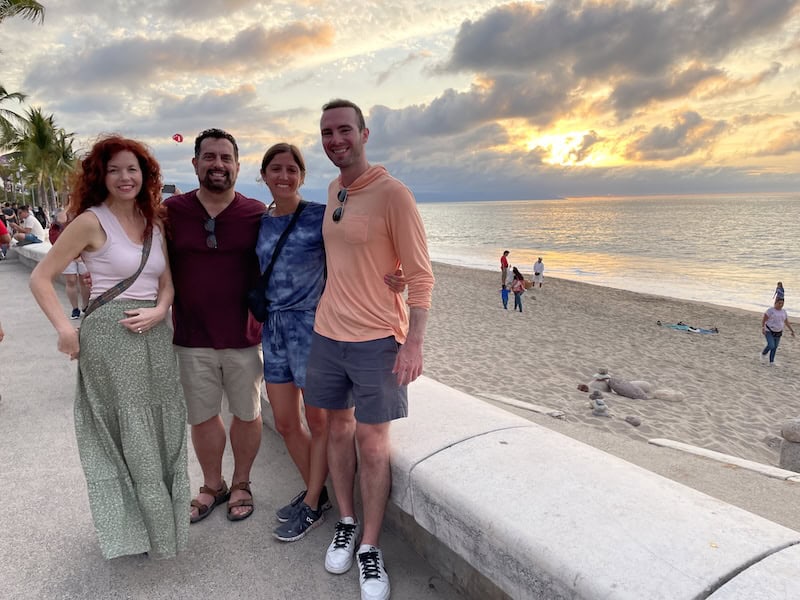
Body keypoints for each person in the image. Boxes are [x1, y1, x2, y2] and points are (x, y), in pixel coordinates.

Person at [29, 135, 189, 559]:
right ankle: (135, 532)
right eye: (115, 169)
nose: (124, 177)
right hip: (109, 340)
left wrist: (159, 312)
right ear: (101, 175)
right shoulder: (90, 222)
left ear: (145, 175)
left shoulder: (154, 220)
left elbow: (167, 283)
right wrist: (66, 329)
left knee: (159, 429)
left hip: (155, 337)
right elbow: (41, 277)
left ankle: (160, 528)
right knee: (126, 434)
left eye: (132, 169)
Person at [305, 99, 434, 600]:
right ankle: (347, 521)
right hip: (327, 332)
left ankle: (371, 548)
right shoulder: (336, 188)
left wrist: (412, 343)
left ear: (364, 133)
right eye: (326, 133)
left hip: (378, 338)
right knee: (337, 429)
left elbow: (421, 275)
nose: (335, 140)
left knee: (373, 443)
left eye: (344, 130)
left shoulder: (393, 194)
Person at [256, 143, 406, 543]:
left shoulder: (320, 217)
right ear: (264, 176)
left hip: (313, 326)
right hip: (273, 330)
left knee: (321, 420)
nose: (284, 176)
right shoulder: (260, 220)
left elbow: (361, 251)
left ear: (302, 177)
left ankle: (310, 501)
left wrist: (399, 274)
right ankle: (316, 493)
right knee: (287, 421)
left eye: (292, 170)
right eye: (276, 169)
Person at [164, 128, 265, 524]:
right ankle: (212, 484)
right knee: (203, 415)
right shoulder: (171, 212)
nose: (218, 165)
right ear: (195, 164)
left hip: (243, 335)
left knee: (247, 412)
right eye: (210, 157)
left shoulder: (256, 212)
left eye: (226, 158)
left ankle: (242, 482)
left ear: (238, 166)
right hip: (191, 336)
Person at [50, 209, 90, 319]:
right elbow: (55, 238)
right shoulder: (60, 216)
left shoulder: (84, 214)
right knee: (70, 280)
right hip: (66, 255)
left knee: (84, 280)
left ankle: (86, 305)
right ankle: (75, 308)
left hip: (83, 254)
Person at [760, 297, 795, 365]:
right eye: (779, 303)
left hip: (778, 332)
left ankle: (771, 361)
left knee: (775, 347)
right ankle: (763, 354)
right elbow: (764, 319)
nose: (781, 305)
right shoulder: (770, 310)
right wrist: (763, 328)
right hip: (769, 331)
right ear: (775, 303)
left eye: (782, 303)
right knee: (771, 345)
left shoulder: (784, 311)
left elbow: (786, 322)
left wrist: (792, 330)